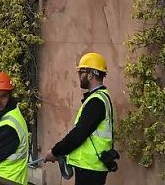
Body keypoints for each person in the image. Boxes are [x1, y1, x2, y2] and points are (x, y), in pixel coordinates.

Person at [44, 53, 117, 184]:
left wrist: (55, 152)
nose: (79, 76)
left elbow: (79, 134)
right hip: (92, 166)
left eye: (81, 72)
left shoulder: (96, 102)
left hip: (90, 167)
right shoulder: (101, 98)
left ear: (91, 74)